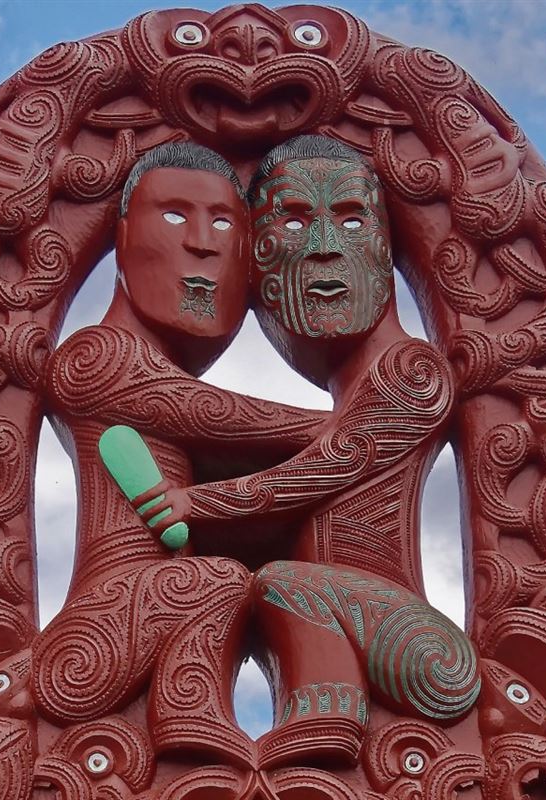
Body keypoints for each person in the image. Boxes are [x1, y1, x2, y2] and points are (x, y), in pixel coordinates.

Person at [136, 136, 476, 766]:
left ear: (386, 246)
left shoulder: (413, 373)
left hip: (423, 652)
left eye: (351, 222)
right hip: (359, 617)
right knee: (244, 581)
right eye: (293, 223)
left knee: (286, 582)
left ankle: (328, 718)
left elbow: (325, 468)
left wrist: (196, 503)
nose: (324, 245)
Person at [32, 142, 330, 765]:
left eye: (222, 224)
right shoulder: (97, 358)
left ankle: (192, 712)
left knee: (229, 579)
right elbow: (215, 415)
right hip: (97, 634)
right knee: (214, 580)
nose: (201, 243)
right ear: (120, 236)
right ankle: (187, 718)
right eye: (174, 216)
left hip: (145, 613)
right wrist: (359, 431)